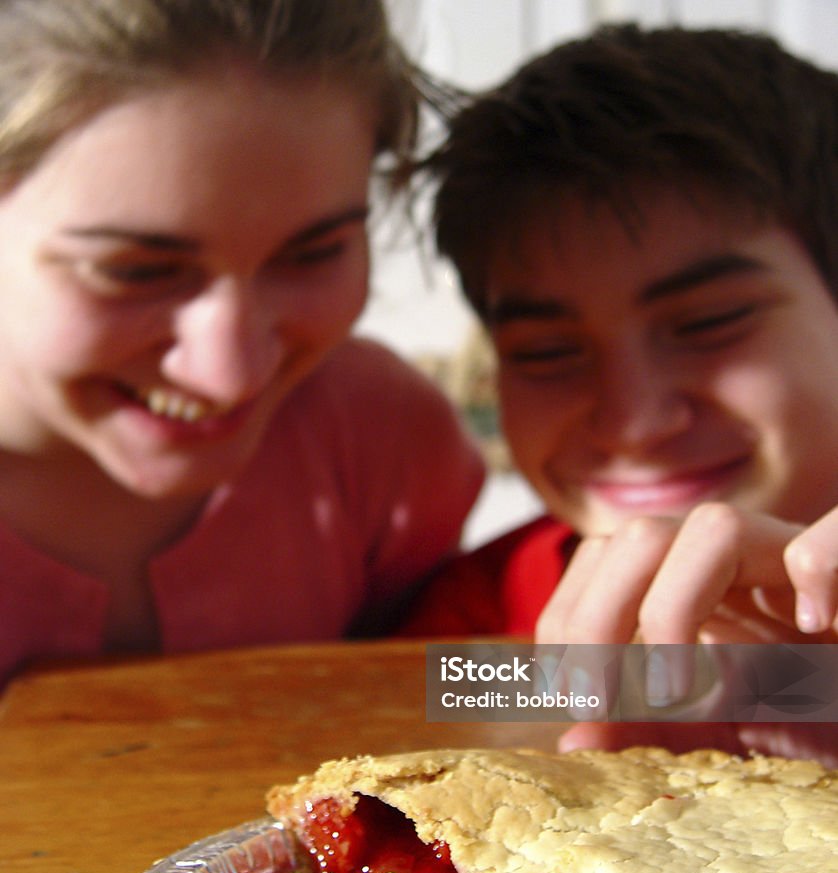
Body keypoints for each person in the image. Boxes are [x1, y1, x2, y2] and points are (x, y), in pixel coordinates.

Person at [0, 0, 484, 684]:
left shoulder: (381, 442)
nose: (229, 375)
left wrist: (665, 676)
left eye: (314, 252)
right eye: (135, 271)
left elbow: (450, 689)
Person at [401, 23, 838, 766]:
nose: (634, 423)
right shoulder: (470, 625)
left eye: (709, 322)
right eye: (546, 352)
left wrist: (812, 694)